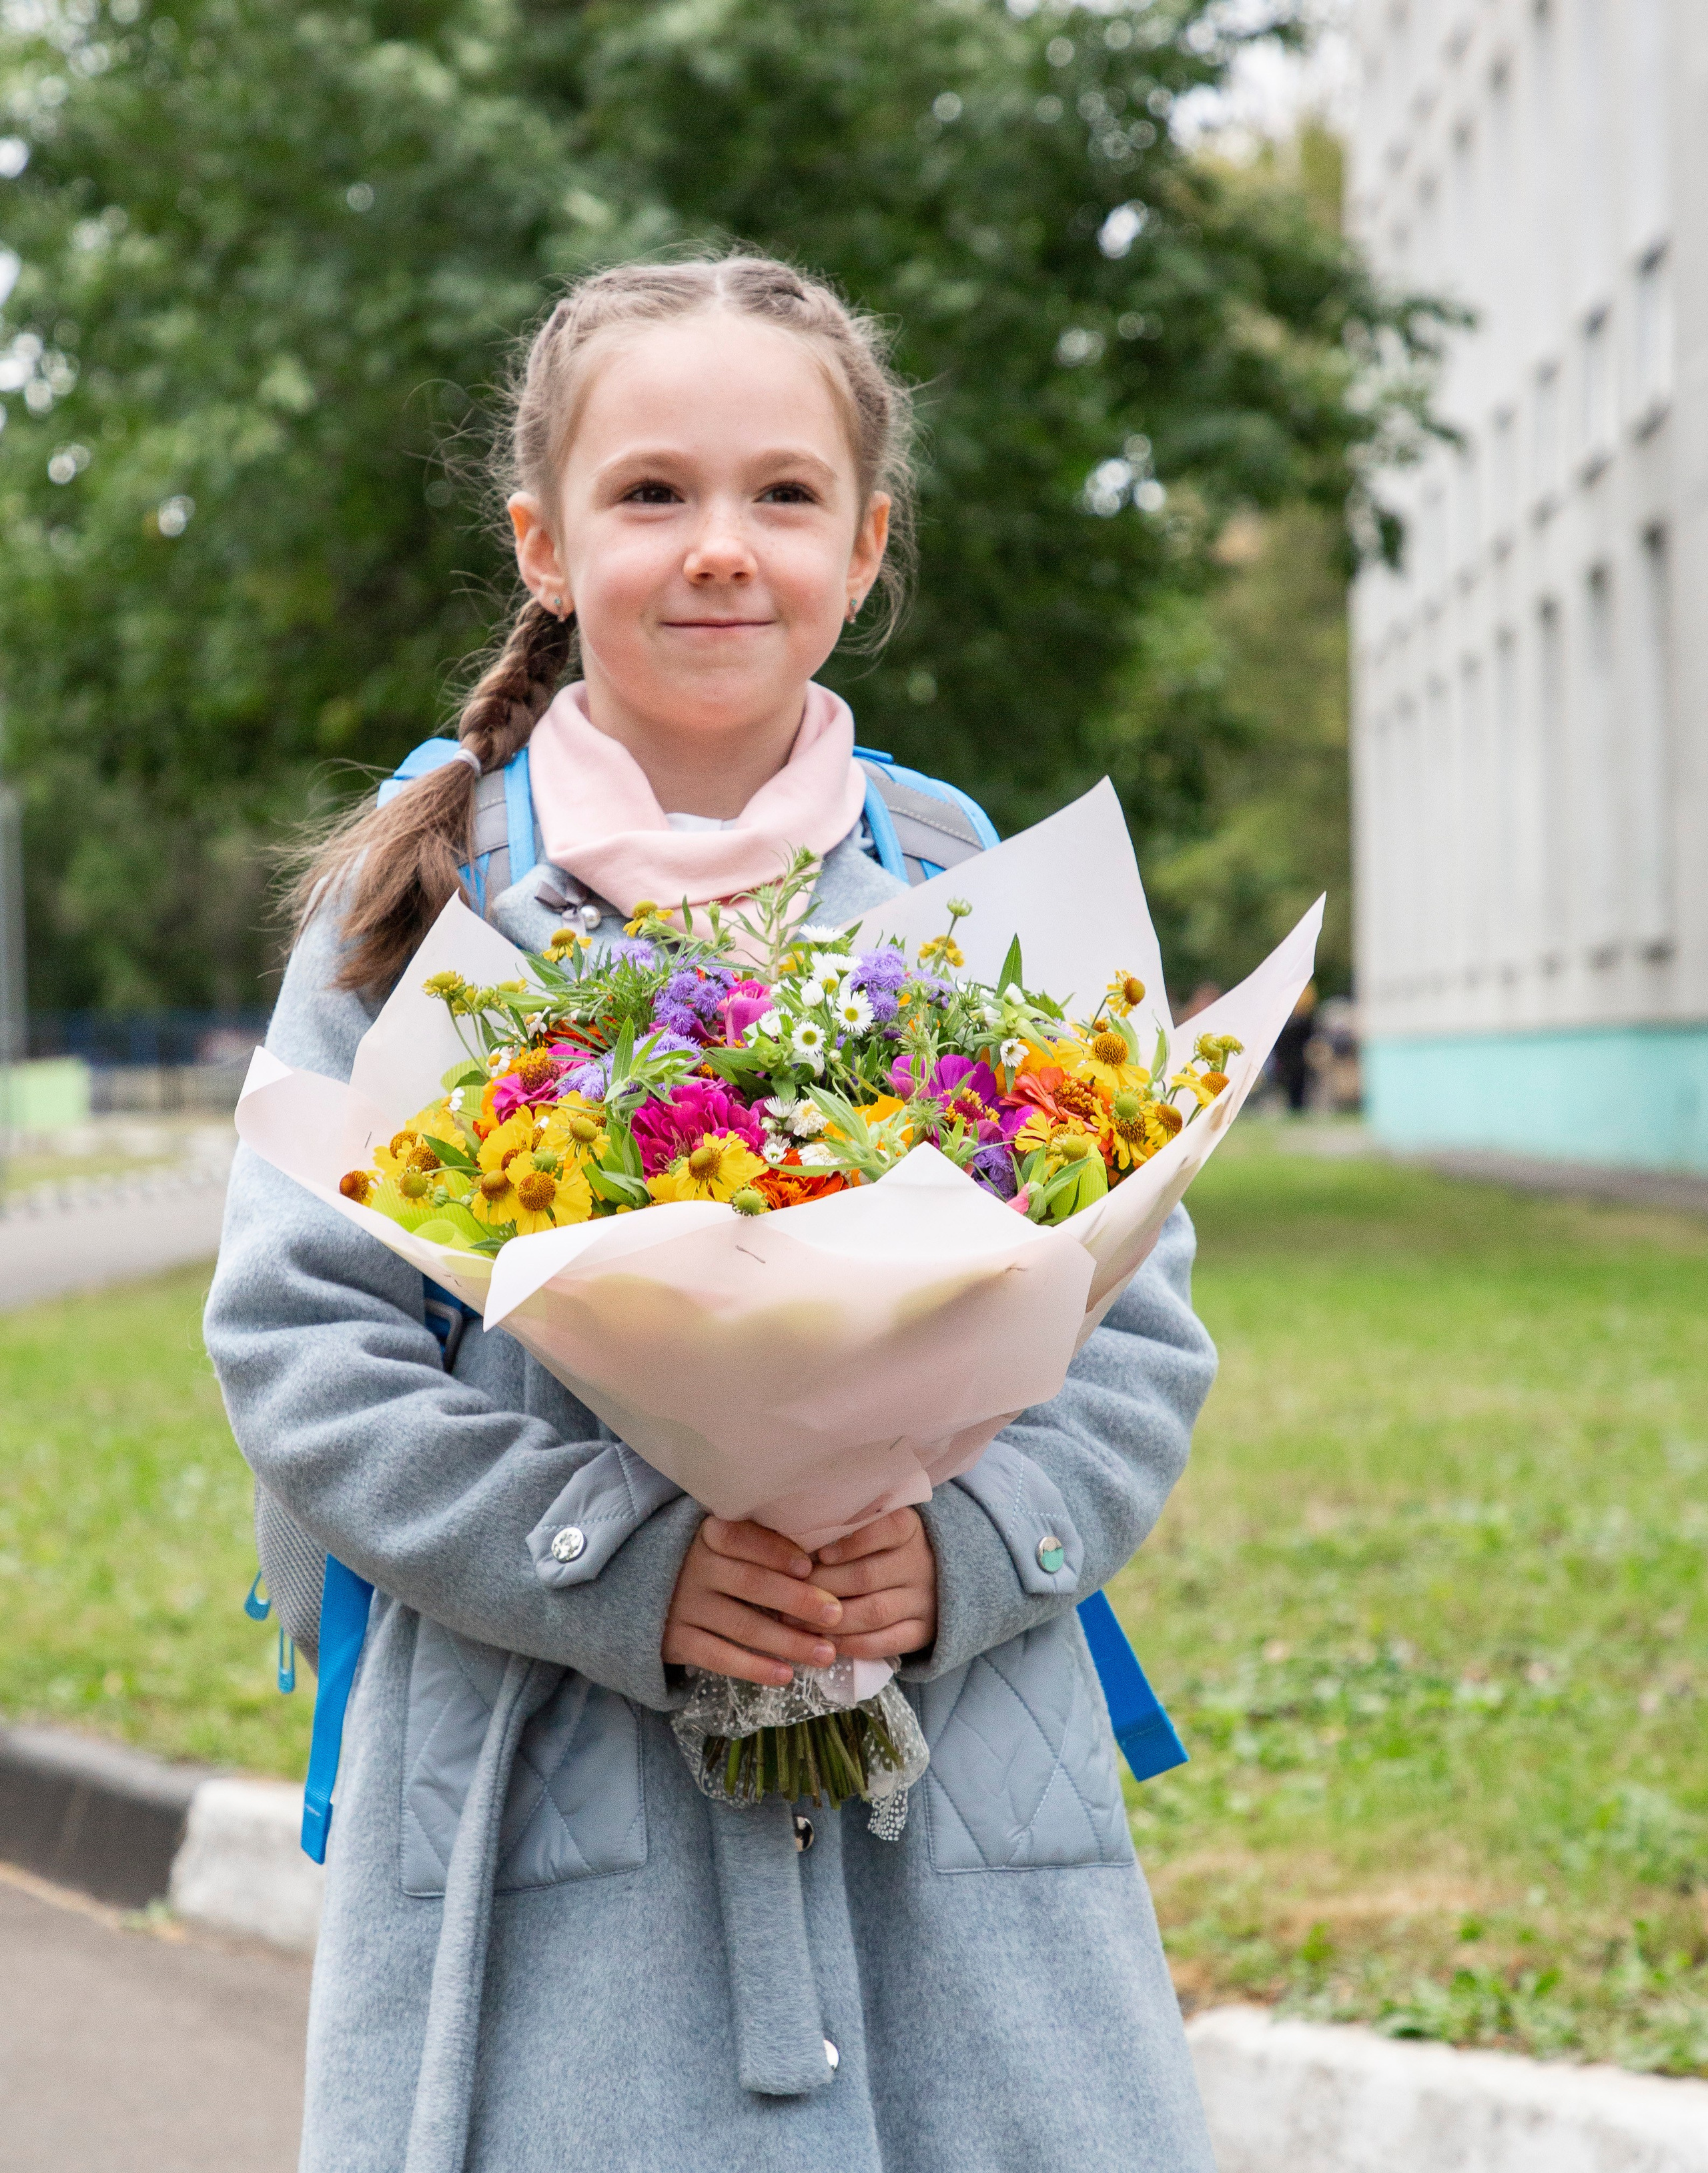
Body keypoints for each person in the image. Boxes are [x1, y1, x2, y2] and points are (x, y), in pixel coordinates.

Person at [205, 254, 1220, 2173]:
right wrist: (623, 1558)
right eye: (651, 493)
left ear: (867, 538)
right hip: (548, 1790)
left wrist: (971, 1551)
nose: (718, 551)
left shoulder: (960, 876)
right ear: (545, 541)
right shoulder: (425, 908)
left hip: (957, 1802)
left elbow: (1138, 1313)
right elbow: (298, 1341)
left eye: (783, 495)